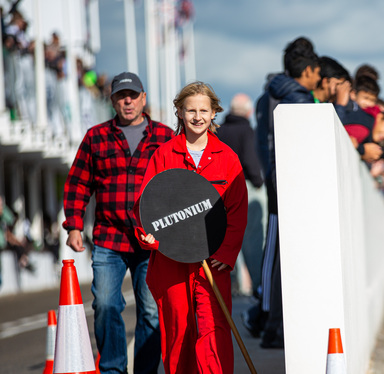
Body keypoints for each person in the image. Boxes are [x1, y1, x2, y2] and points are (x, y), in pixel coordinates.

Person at [63, 72, 174, 374]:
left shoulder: (165, 137)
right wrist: (74, 225)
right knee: (106, 306)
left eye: (133, 95)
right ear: (112, 100)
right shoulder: (95, 137)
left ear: (143, 99)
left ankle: (146, 371)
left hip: (151, 241)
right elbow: (78, 183)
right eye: (121, 96)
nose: (128, 101)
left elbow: (179, 184)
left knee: (151, 311)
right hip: (109, 239)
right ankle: (113, 369)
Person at [135, 81, 248, 374]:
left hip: (214, 261)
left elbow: (237, 210)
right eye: (191, 110)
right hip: (171, 260)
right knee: (178, 333)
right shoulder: (163, 155)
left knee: (214, 330)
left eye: (204, 111)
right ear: (180, 113)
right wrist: (149, 236)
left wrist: (227, 252)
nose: (197, 117)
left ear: (214, 114)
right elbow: (145, 202)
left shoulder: (228, 159)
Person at [252, 36, 321, 349]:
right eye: (316, 71)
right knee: (278, 254)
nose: (318, 78)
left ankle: (268, 316)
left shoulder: (268, 95)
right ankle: (266, 319)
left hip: (274, 178)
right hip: (288, 182)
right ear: (306, 71)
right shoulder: (299, 99)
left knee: (275, 252)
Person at [216, 93, 265, 297]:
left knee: (228, 237)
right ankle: (257, 287)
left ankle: (234, 284)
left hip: (221, 189)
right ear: (249, 111)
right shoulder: (246, 130)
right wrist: (259, 182)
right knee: (252, 238)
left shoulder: (220, 130)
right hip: (245, 187)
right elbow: (250, 159)